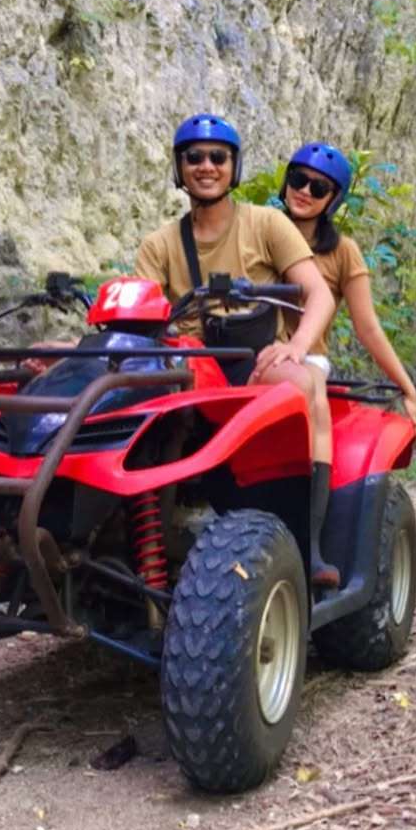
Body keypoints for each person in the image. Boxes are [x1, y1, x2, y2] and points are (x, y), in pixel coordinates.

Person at [135, 114, 344, 587]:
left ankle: (307, 547)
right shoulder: (159, 244)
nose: (205, 166)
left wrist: (295, 347)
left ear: (234, 166)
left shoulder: (267, 224)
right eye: (194, 157)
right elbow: (145, 311)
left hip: (252, 357)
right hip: (187, 358)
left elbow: (320, 294)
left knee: (302, 384)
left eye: (217, 157)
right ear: (179, 167)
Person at [280, 142, 416, 439]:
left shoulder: (343, 251)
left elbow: (368, 327)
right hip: (253, 349)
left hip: (307, 356)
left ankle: (317, 477)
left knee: (311, 395)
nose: (305, 191)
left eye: (319, 188)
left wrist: (407, 389)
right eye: (298, 180)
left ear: (333, 199)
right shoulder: (260, 231)